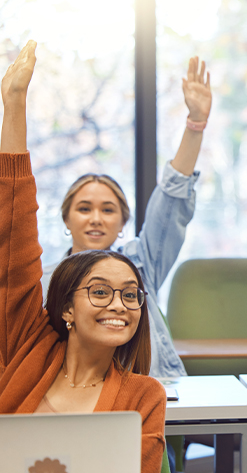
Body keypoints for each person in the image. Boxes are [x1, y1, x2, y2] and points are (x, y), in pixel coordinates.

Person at [0, 41, 165, 473]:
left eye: (131, 296)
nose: (119, 305)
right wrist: (14, 105)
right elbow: (14, 242)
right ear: (67, 307)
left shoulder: (144, 396)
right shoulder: (26, 352)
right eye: (100, 291)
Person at [40, 52, 212, 379]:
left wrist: (195, 125)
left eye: (108, 210)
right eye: (84, 208)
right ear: (66, 220)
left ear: (122, 224)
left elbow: (171, 202)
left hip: (152, 394)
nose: (96, 218)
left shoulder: (142, 263)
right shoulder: (45, 282)